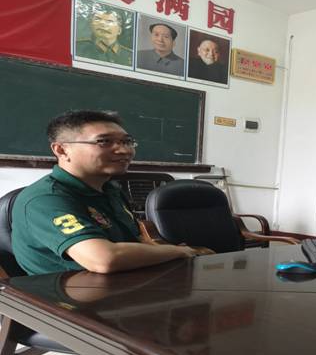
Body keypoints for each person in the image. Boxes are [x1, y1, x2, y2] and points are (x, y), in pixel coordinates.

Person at [11, 110, 212, 276]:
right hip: (64, 302)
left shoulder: (110, 189)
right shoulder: (45, 199)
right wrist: (179, 252)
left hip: (124, 286)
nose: (124, 150)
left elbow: (135, 240)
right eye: (104, 142)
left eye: (127, 142)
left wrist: (179, 251)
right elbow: (104, 259)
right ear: (61, 150)